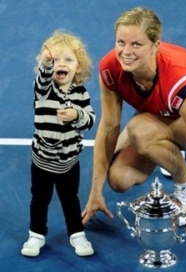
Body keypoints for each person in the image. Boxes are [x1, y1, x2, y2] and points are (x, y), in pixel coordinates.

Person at [81, 7, 186, 235]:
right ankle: (168, 143)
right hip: (166, 110)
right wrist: (95, 191)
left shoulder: (179, 79)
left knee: (139, 130)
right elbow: (109, 127)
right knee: (118, 178)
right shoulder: (110, 68)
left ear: (156, 45)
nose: (126, 51)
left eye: (136, 44)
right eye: (121, 42)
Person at [21, 30, 96, 257]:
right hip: (42, 161)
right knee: (39, 199)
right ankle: (36, 235)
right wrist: (46, 65)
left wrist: (76, 115)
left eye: (68, 59)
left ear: (78, 67)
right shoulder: (43, 91)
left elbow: (89, 120)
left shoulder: (81, 94)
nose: (61, 64)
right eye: (55, 60)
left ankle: (77, 234)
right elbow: (43, 79)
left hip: (69, 162)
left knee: (70, 199)